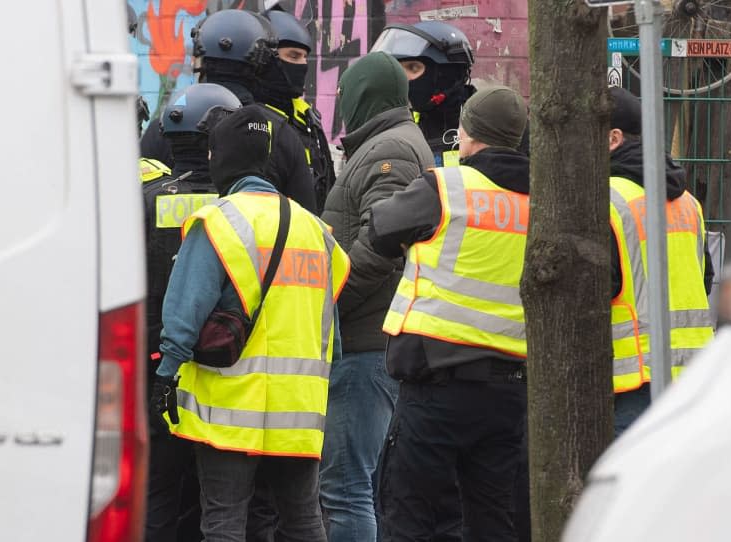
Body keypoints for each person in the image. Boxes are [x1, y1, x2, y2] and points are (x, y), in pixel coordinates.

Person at [150, 104, 350, 542]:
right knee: (302, 522)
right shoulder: (317, 232)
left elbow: (182, 317)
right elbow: (331, 338)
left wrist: (164, 378)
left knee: (224, 521)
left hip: (230, 409)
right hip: (299, 411)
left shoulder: (220, 222)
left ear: (220, 157)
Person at [369, 85, 530, 540]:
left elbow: (380, 227)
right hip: (507, 393)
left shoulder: (447, 186)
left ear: (467, 134)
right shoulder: (543, 199)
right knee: (492, 518)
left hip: (436, 389)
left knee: (409, 516)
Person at [318, 51, 434, 542]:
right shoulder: (389, 144)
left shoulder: (393, 152)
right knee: (360, 486)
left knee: (346, 487)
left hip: (366, 345)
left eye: (346, 95)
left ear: (363, 95)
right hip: (370, 341)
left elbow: (381, 244)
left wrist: (327, 302)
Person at [143, 82, 242, 542]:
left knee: (158, 487)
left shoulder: (142, 199)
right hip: (225, 368)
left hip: (155, 364)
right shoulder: (239, 209)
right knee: (220, 495)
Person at [608, 86, 715, 436]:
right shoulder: (689, 203)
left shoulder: (609, 200)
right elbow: (704, 276)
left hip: (635, 379)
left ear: (613, 138)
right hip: (692, 377)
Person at [141, 9, 317, 213]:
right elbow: (306, 216)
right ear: (261, 62)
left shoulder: (164, 125)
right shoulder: (279, 131)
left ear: (200, 56)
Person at [254, 5, 336, 214]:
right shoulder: (247, 119)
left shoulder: (307, 119)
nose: (302, 65)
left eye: (304, 58)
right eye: (293, 56)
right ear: (267, 58)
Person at [370, 21, 476, 167]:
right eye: (399, 70)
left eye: (413, 67)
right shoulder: (401, 124)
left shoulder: (485, 124)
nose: (403, 79)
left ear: (448, 73)